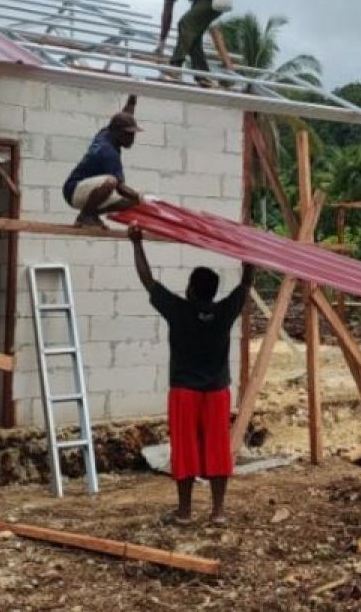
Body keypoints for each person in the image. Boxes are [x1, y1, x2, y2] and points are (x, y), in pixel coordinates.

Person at [129, 223, 254, 526]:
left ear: (190, 289)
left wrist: (136, 242)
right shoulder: (224, 312)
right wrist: (250, 253)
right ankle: (218, 511)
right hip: (216, 393)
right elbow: (245, 286)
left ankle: (185, 512)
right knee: (218, 449)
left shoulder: (179, 310)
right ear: (212, 292)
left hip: (184, 393)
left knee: (184, 450)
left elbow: (148, 280)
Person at [63, 95, 143, 228]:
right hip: (74, 191)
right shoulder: (107, 151)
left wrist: (132, 102)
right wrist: (139, 198)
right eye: (129, 134)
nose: (132, 139)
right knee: (112, 182)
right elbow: (120, 187)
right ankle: (85, 216)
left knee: (130, 201)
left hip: (92, 190)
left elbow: (124, 116)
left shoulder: (108, 131)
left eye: (133, 134)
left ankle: (91, 214)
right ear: (118, 133)